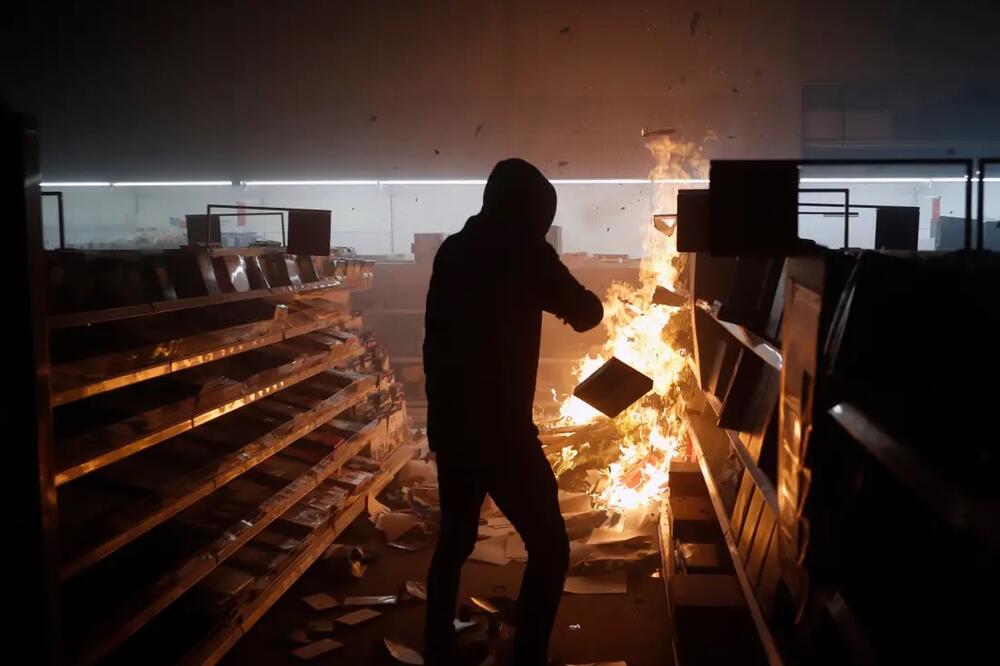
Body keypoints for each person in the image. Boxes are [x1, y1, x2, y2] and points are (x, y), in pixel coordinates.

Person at [422, 158, 604, 665]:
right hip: (503, 433)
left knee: (453, 543)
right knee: (549, 547)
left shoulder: (454, 251)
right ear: (531, 210)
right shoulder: (526, 252)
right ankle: (526, 658)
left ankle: (436, 648)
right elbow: (587, 312)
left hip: (453, 427)